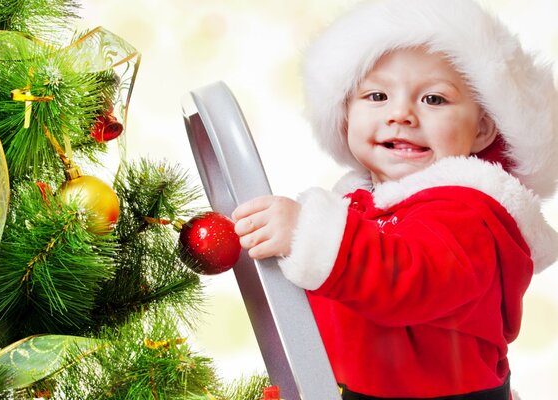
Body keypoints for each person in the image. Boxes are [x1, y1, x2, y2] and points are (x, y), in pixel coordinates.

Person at [232, 0, 558, 398]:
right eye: (376, 96)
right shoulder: (358, 207)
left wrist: (307, 233)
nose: (401, 114)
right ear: (345, 113)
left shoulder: (470, 214)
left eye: (434, 99)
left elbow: (408, 277)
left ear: (482, 130)